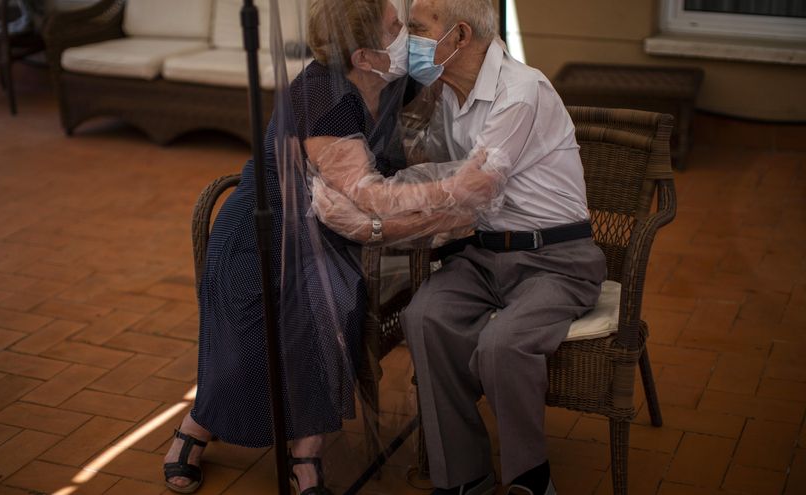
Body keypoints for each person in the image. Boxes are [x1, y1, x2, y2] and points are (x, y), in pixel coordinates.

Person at [161, 1, 502, 494]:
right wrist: (459, 194)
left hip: (327, 238)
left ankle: (307, 456)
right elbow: (371, 197)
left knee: (330, 312)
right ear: (364, 55)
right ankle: (196, 426)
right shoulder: (323, 97)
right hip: (264, 238)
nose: (406, 33)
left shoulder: (388, 79)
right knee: (251, 339)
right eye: (395, 27)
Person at [399, 1, 608, 494]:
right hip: (483, 255)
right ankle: (464, 477)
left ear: (459, 35)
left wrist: (382, 215)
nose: (408, 41)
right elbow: (430, 167)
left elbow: (472, 188)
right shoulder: (447, 92)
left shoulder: (521, 90)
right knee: (423, 319)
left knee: (503, 344)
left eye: (416, 29)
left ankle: (530, 479)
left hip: (557, 261)